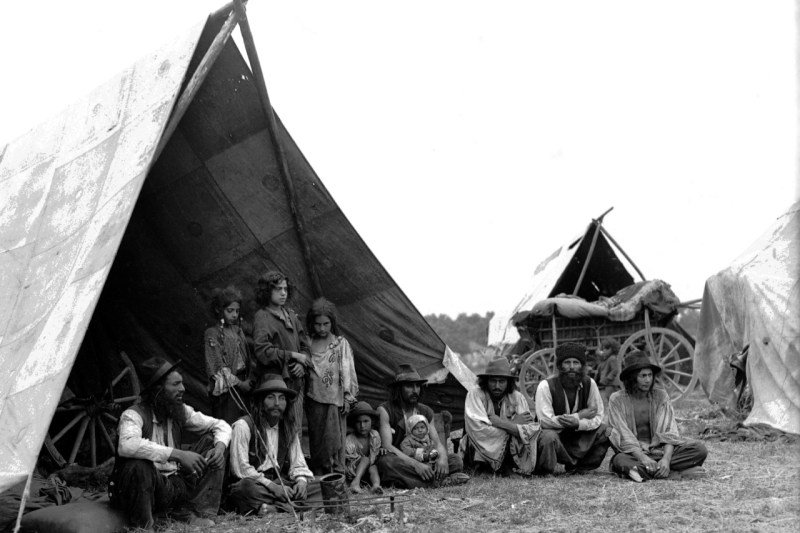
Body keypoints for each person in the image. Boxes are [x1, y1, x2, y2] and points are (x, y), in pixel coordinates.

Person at [110, 358, 231, 530]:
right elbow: (127, 445)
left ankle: (191, 512)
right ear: (158, 390)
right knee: (138, 465)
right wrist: (179, 454)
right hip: (144, 489)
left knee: (212, 442)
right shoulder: (132, 415)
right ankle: (145, 526)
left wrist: (219, 448)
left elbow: (221, 425)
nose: (182, 389)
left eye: (181, 384)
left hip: (173, 487)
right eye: (175, 384)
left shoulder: (179, 411)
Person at [607, 350, 708, 482]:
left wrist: (666, 459)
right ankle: (677, 474)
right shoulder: (617, 399)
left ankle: (651, 470)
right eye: (642, 376)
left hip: (659, 452)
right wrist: (643, 458)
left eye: (650, 375)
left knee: (699, 450)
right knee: (620, 460)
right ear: (632, 378)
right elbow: (622, 436)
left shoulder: (661, 396)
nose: (647, 380)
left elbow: (668, 432)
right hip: (634, 455)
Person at [227, 375, 322, 515]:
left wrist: (301, 481)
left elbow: (298, 463)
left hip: (281, 484)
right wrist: (273, 487)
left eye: (282, 398)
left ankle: (274, 509)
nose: (277, 403)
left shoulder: (288, 428)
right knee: (244, 489)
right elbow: (240, 469)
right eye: (271, 397)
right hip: (256, 484)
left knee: (323, 485)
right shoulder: (244, 426)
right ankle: (291, 507)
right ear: (261, 402)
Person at [376, 364, 469, 488]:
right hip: (401, 460)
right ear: (398, 389)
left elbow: (436, 442)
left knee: (456, 461)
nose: (415, 390)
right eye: (409, 386)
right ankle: (438, 482)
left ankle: (414, 481)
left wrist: (442, 459)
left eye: (417, 386)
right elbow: (387, 446)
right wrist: (415, 465)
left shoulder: (425, 411)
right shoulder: (385, 410)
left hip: (425, 459)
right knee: (386, 463)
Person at [534, 342, 610, 474]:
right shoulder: (545, 386)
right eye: (567, 362)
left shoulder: (589, 384)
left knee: (606, 431)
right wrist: (578, 417)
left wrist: (579, 424)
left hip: (578, 435)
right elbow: (545, 421)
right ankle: (545, 471)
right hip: (555, 437)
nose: (571, 367)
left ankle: (580, 467)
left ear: (582, 366)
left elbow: (598, 416)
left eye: (576, 363)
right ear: (559, 366)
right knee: (548, 436)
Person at [304, 297, 359, 475]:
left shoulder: (340, 344)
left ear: (332, 323)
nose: (322, 328)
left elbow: (348, 371)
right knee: (318, 438)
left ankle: (336, 475)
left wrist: (348, 397)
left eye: (326, 324)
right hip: (314, 398)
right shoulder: (308, 343)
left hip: (335, 400)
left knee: (334, 439)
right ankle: (320, 474)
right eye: (318, 324)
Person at [460, 358, 539, 476]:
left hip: (510, 452)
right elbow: (479, 430)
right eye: (493, 381)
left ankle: (509, 468)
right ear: (486, 381)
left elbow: (529, 429)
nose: (497, 386)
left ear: (508, 382)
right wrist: (513, 425)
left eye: (502, 381)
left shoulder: (517, 397)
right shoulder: (475, 395)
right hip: (479, 451)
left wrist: (501, 423)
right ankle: (484, 469)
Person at [252, 270, 310, 432]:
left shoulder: (291, 316)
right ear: (267, 291)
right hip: (274, 384)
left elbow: (305, 345)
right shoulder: (262, 317)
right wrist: (292, 355)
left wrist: (302, 364)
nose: (283, 293)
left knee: (294, 428)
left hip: (295, 383)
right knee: (275, 429)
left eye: (285, 289)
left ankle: (294, 458)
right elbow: (262, 351)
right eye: (278, 289)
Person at [204, 285, 254, 424]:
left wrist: (248, 380)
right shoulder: (213, 333)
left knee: (244, 425)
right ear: (218, 310)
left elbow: (247, 358)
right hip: (227, 389)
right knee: (229, 425)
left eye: (237, 311)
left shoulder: (237, 330)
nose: (234, 315)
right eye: (230, 311)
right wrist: (240, 383)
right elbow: (218, 367)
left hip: (244, 384)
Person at [344, 401, 383, 494]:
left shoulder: (375, 435)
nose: (362, 426)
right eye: (358, 422)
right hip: (353, 473)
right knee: (365, 459)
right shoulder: (349, 440)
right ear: (354, 423)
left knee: (373, 467)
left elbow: (375, 454)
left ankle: (376, 485)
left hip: (367, 473)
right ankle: (355, 483)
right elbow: (349, 464)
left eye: (366, 421)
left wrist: (381, 450)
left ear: (372, 421)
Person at [596, 337, 622, 406]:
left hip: (612, 382)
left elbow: (615, 370)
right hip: (609, 383)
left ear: (613, 349)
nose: (604, 350)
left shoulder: (612, 358)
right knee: (609, 397)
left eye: (607, 349)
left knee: (610, 397)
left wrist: (608, 378)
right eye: (603, 349)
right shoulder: (607, 359)